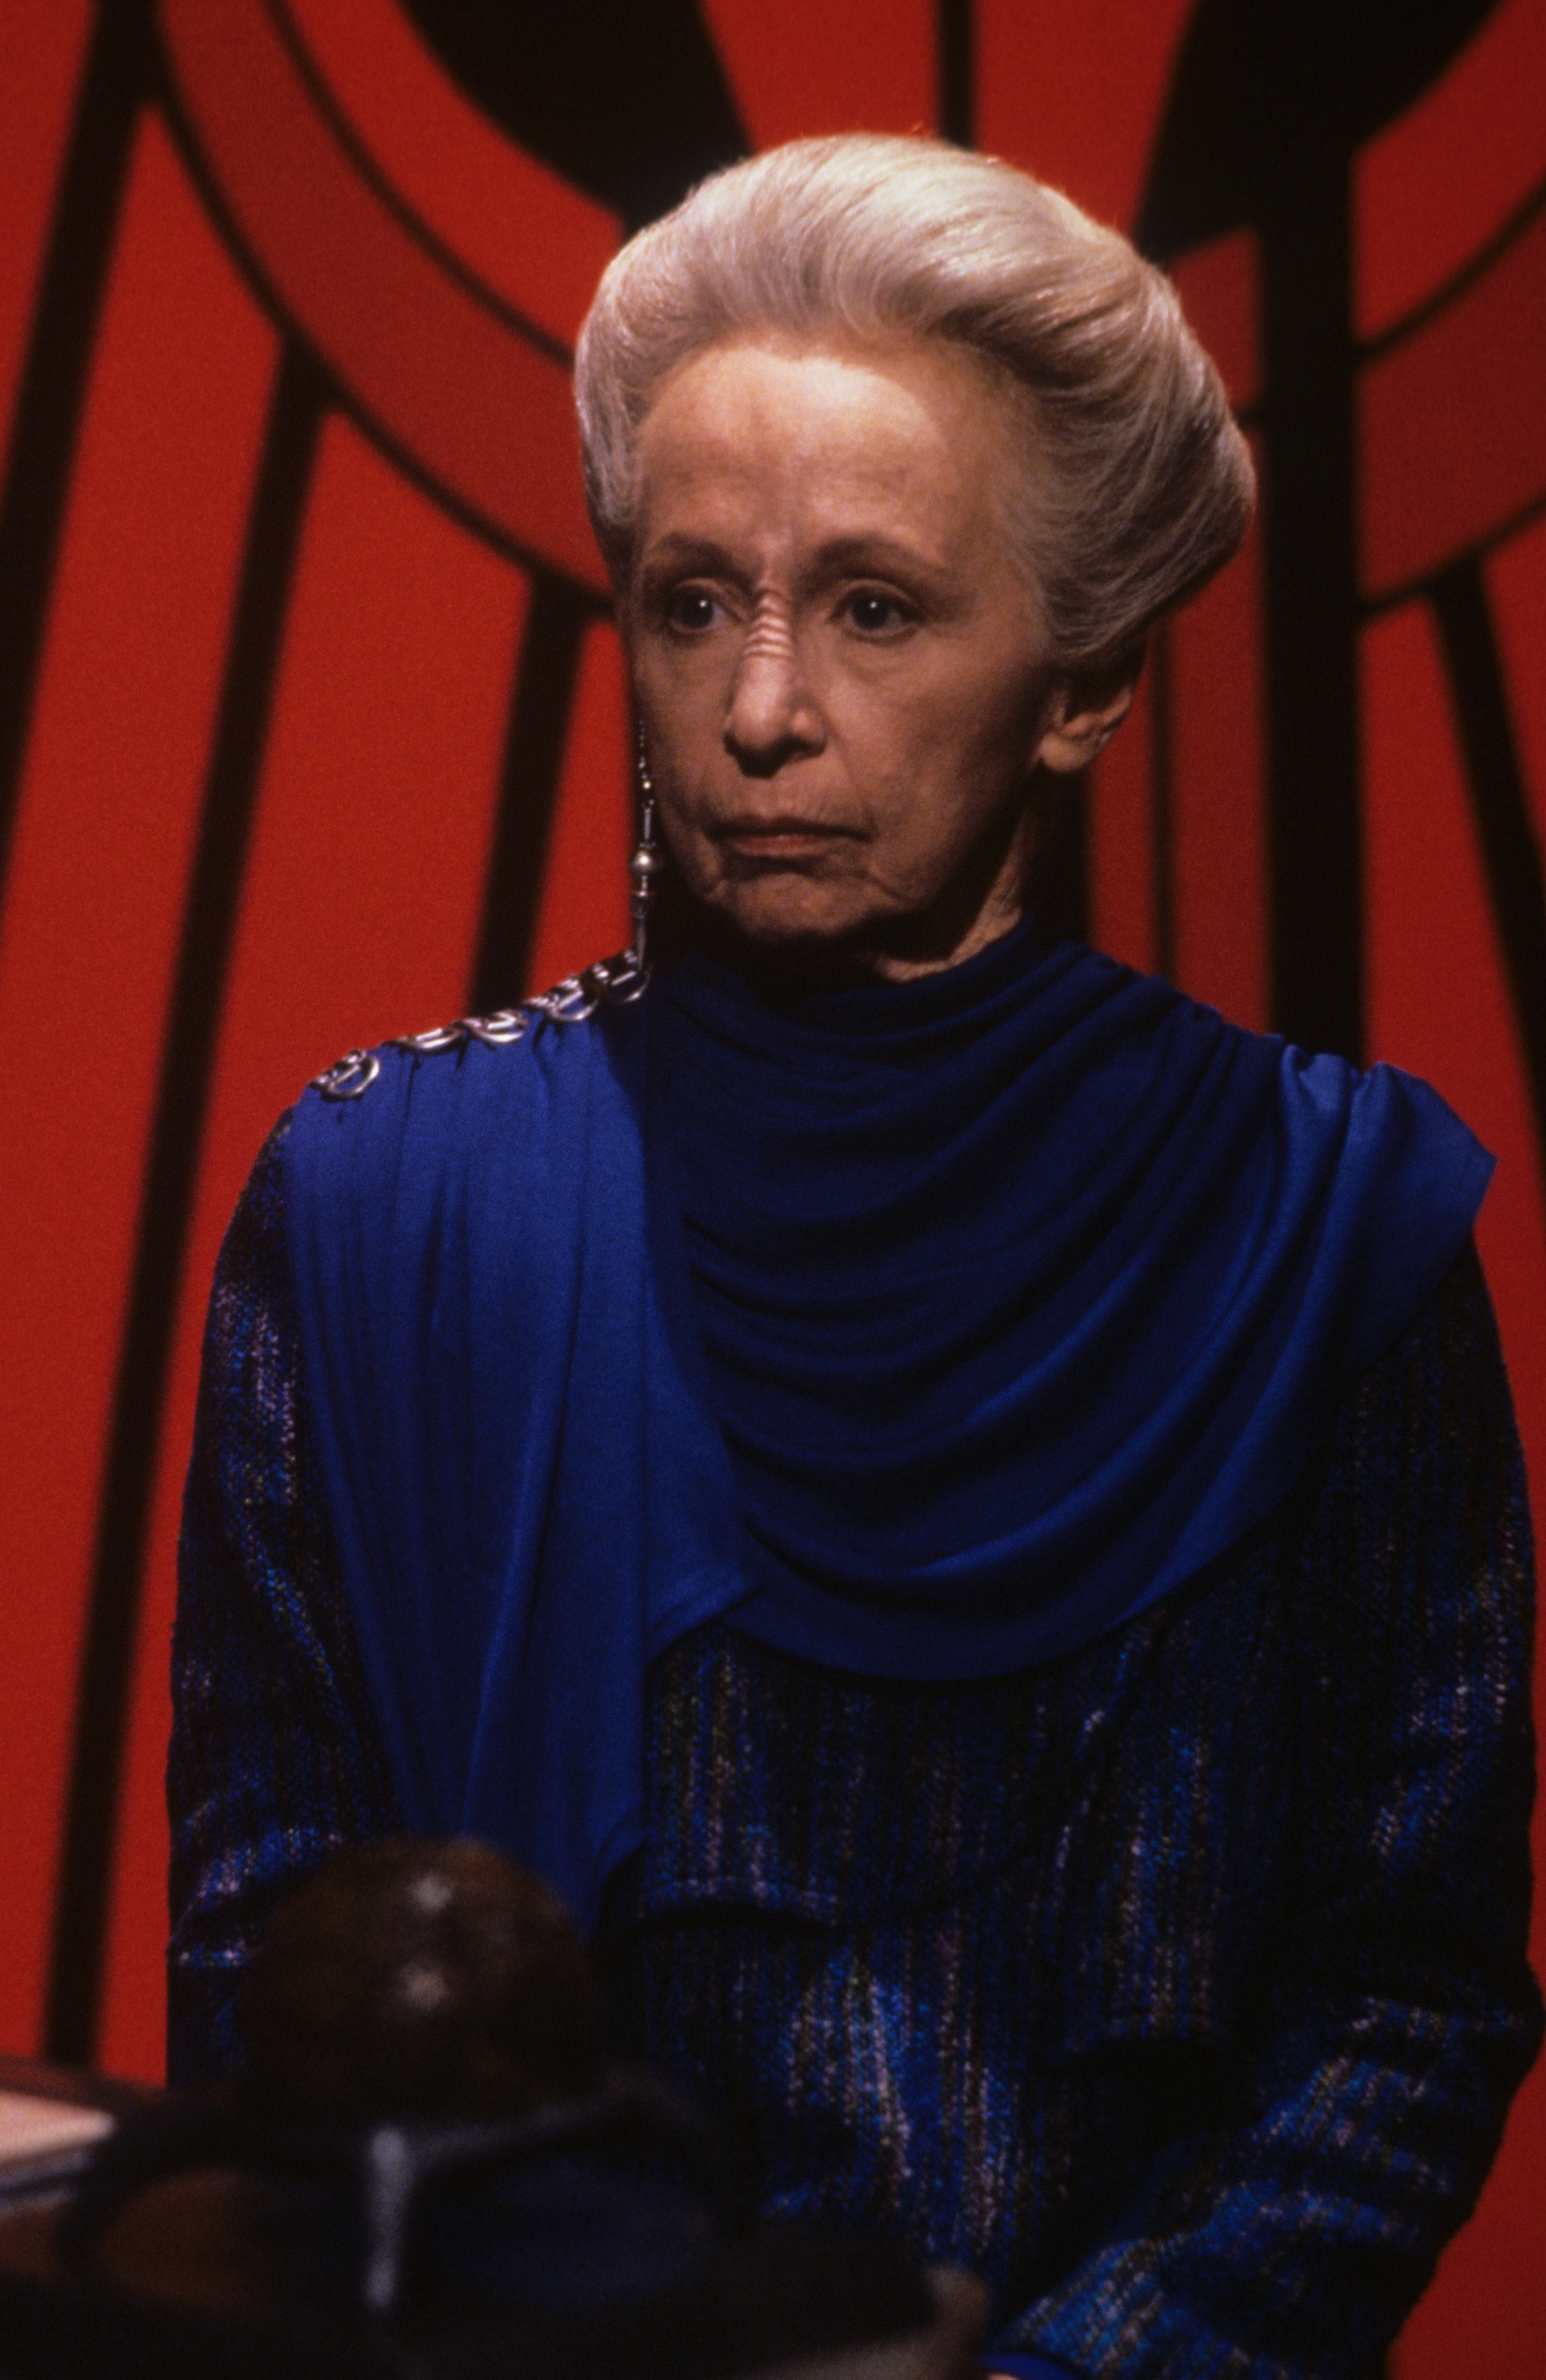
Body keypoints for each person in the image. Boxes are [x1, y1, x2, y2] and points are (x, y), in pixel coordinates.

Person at [168, 136, 1540, 2378]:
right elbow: (281, 1984)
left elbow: (1397, 2000)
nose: (760, 710)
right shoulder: (386, 1205)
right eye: (692, 601)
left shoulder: (1320, 1235)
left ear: (1084, 679)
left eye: (876, 608)